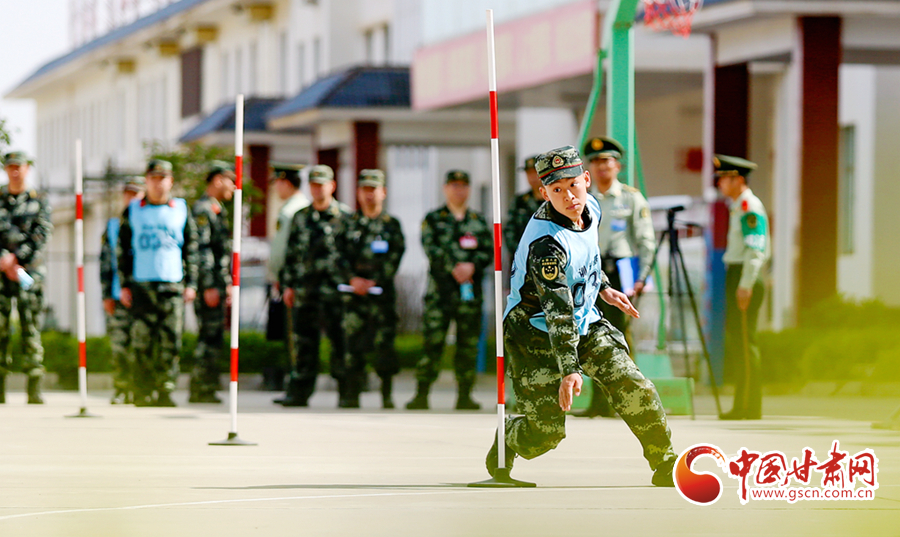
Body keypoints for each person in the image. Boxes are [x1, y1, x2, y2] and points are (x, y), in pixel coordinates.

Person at [485, 145, 676, 487]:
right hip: (536, 333)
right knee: (545, 433)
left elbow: (588, 257)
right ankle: (509, 435)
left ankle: (665, 462)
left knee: (633, 385)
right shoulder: (546, 246)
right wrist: (570, 369)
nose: (569, 196)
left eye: (573, 185)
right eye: (557, 190)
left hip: (585, 321)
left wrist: (604, 287)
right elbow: (557, 314)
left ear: (586, 180)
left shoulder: (593, 208)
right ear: (544, 193)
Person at [577, 137, 656, 418]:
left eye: (606, 161)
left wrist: (642, 277)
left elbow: (646, 241)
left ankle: (628, 401)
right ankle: (598, 402)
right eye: (596, 162)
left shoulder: (631, 198)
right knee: (591, 336)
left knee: (621, 337)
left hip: (622, 273)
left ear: (617, 165)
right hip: (592, 274)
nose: (601, 167)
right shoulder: (583, 198)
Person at [407, 170, 492, 411]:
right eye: (454, 185)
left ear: (469, 189)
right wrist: (454, 268)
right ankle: (421, 394)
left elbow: (489, 250)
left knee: (468, 345)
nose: (459, 190)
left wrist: (472, 266)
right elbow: (430, 247)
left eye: (463, 185)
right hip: (440, 293)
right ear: (445, 188)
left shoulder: (478, 220)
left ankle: (465, 395)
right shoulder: (433, 219)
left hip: (469, 294)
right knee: (432, 343)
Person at [117, 159, 199, 407]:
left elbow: (191, 248)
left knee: (170, 340)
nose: (158, 183)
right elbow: (122, 249)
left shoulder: (181, 209)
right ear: (146, 180)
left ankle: (165, 390)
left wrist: (192, 283)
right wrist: (124, 284)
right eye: (153, 178)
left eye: (162, 178)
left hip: (171, 285)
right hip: (142, 285)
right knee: (141, 341)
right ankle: (142, 390)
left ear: (171, 181)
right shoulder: (133, 210)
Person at [279, 164, 352, 407]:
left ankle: (347, 392)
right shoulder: (301, 217)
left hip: (336, 292)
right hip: (305, 291)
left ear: (332, 186)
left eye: (322, 184)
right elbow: (291, 254)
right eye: (314, 185)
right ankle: (299, 392)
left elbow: (354, 255)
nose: (318, 189)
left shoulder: (346, 217)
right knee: (303, 343)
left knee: (341, 343)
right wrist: (288, 285)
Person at [341, 169, 406, 409]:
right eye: (365, 189)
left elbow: (396, 255)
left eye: (373, 189)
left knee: (384, 345)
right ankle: (351, 394)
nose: (369, 194)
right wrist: (352, 279)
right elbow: (338, 255)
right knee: (352, 345)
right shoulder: (347, 223)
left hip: (382, 296)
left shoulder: (391, 225)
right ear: (358, 192)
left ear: (383, 192)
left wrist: (375, 280)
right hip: (353, 295)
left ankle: (386, 395)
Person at [714, 154, 770, 420]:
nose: (720, 183)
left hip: (745, 276)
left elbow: (755, 249)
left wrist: (745, 285)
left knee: (746, 344)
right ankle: (743, 404)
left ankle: (749, 406)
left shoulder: (749, 206)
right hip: (737, 273)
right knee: (739, 344)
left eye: (724, 178)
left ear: (738, 179)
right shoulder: (738, 205)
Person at [0, 151, 53, 405]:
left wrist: (17, 259)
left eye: (19, 166)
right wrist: (4, 259)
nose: (15, 171)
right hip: (1, 272)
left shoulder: (39, 200)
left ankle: (34, 386)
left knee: (30, 326)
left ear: (27, 169)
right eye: (10, 166)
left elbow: (42, 233)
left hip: (29, 272)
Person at [189, 161, 236, 403]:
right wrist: (208, 285)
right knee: (208, 337)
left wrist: (225, 282)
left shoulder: (216, 208)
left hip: (216, 283)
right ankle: (201, 388)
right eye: (231, 181)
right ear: (218, 180)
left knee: (214, 336)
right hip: (209, 286)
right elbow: (203, 249)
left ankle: (206, 386)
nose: (234, 186)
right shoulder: (204, 209)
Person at [100, 176, 145, 404]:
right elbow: (105, 262)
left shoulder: (148, 222)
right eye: (128, 194)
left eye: (136, 194)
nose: (131, 198)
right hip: (119, 295)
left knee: (142, 344)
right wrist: (107, 294)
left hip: (144, 294)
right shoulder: (113, 225)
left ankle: (140, 388)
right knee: (119, 344)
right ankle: (121, 387)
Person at [265, 162, 309, 392]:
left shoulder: (293, 210)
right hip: (287, 279)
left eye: (278, 183)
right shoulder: (292, 208)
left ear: (287, 183)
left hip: (291, 280)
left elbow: (285, 250)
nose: (276, 188)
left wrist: (279, 276)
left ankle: (295, 385)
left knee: (293, 335)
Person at [504, 155, 543, 256]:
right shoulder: (519, 201)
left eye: (535, 172)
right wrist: (521, 252)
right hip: (523, 256)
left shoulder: (553, 200)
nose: (532, 177)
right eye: (529, 173)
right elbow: (510, 231)